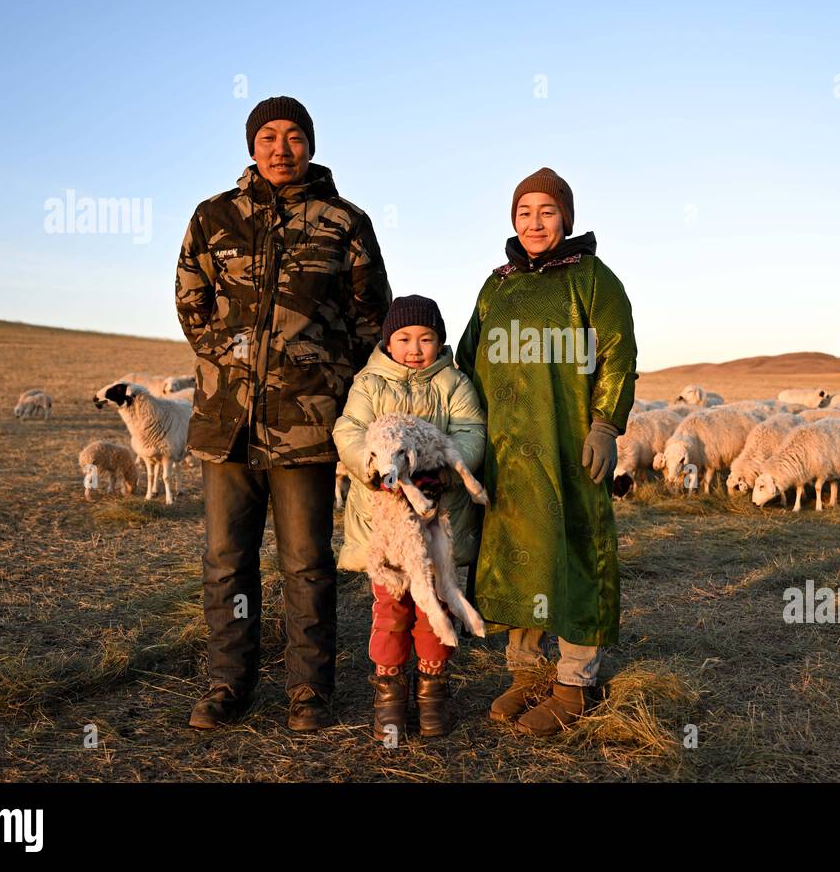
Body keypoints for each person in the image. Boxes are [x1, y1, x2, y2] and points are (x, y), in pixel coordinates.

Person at [174, 96, 392, 731]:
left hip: (307, 425)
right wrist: (233, 365)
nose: (280, 148)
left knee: (306, 561)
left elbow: (369, 317)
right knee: (226, 560)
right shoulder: (213, 217)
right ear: (251, 146)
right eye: (268, 136)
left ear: (310, 144)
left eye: (293, 136)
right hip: (227, 423)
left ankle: (308, 691)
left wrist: (318, 376)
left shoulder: (344, 220)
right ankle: (227, 683)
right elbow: (192, 303)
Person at [456, 167, 637, 737]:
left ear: (566, 217)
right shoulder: (497, 283)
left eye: (547, 212)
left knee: (575, 552)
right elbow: (466, 358)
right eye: (524, 213)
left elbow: (616, 353)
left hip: (569, 446)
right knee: (517, 552)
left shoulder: (592, 279)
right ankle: (527, 674)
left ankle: (575, 682)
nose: (534, 223)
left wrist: (606, 425)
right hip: (506, 450)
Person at [332, 295, 486, 741]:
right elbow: (348, 431)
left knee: (434, 606)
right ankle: (389, 697)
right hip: (383, 527)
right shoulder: (369, 383)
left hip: (436, 522)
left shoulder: (455, 384)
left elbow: (471, 433)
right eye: (404, 338)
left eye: (426, 338)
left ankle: (432, 693)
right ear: (388, 341)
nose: (415, 348)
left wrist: (439, 472)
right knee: (391, 609)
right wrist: (372, 466)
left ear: (440, 341)